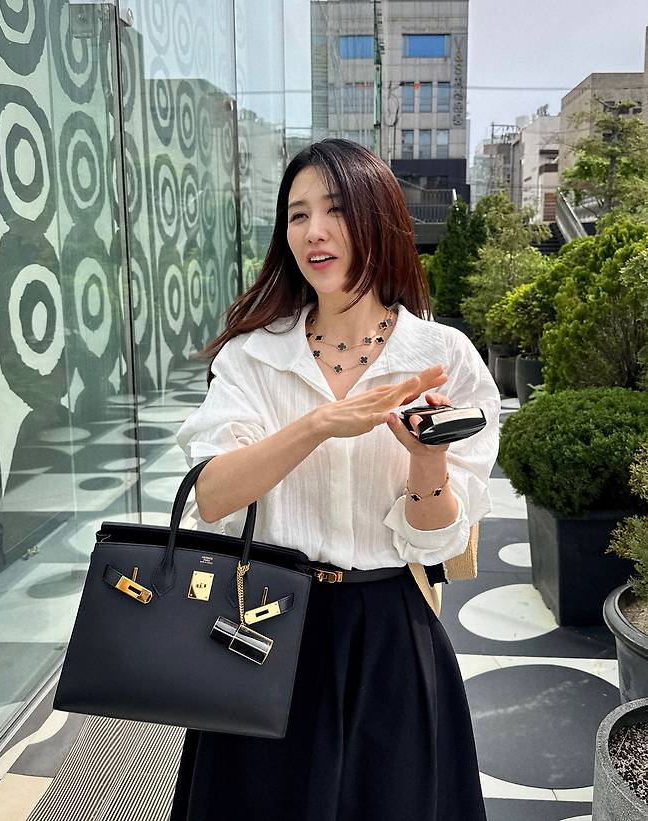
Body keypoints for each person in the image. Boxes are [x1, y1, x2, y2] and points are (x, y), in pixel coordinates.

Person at [170, 138, 500, 821]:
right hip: (261, 627)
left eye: (336, 209)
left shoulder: (443, 356)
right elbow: (212, 494)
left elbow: (438, 542)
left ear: (378, 218)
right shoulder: (255, 357)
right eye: (298, 214)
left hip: (388, 631)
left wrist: (427, 457)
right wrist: (319, 423)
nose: (314, 231)